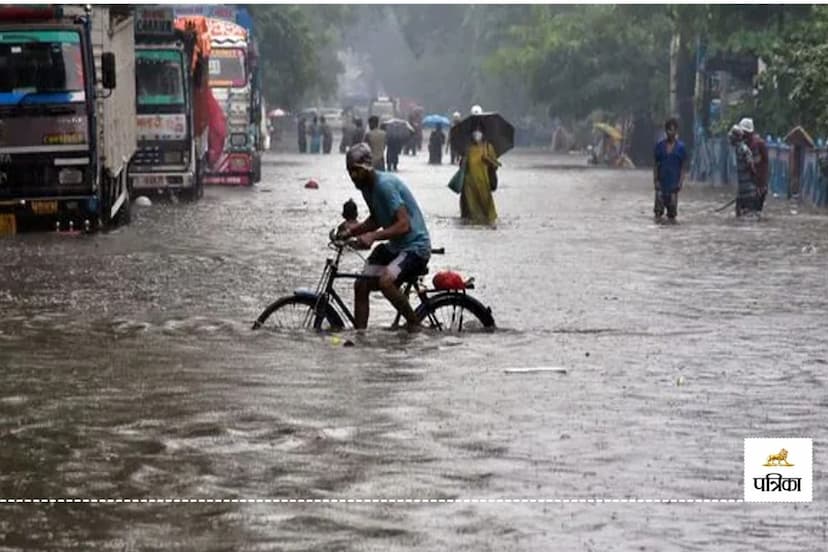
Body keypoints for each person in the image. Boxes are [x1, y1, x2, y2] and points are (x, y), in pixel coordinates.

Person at [339, 143, 432, 332]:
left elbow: (404, 224)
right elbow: (376, 219)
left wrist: (373, 236)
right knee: (361, 284)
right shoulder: (366, 188)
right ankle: (360, 336)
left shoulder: (384, 186)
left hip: (415, 247)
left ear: (367, 168)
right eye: (350, 172)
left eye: (356, 171)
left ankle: (414, 324)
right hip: (396, 247)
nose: (353, 177)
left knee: (385, 282)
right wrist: (351, 232)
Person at [459, 124, 500, 225]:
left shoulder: (488, 147)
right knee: (472, 214)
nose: (477, 134)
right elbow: (462, 166)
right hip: (469, 185)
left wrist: (488, 161)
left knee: (487, 213)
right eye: (475, 131)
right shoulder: (468, 148)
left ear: (483, 133)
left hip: (483, 184)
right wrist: (464, 160)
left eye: (479, 131)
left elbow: (495, 165)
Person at [653, 117, 687, 223]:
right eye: (668, 130)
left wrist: (680, 182)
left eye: (673, 130)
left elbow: (683, 167)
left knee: (672, 215)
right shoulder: (659, 146)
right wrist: (655, 181)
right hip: (661, 185)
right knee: (658, 213)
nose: (670, 132)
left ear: (676, 131)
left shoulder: (681, 147)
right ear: (665, 131)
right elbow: (655, 165)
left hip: (673, 186)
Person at [740, 117, 769, 212]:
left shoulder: (758, 144)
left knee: (753, 213)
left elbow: (764, 164)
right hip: (748, 186)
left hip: (758, 185)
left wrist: (760, 184)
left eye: (745, 133)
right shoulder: (743, 146)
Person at [730, 125, 759, 217]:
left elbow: (751, 166)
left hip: (748, 191)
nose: (730, 139)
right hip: (742, 191)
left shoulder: (744, 149)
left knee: (748, 217)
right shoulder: (738, 149)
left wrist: (755, 184)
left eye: (732, 137)